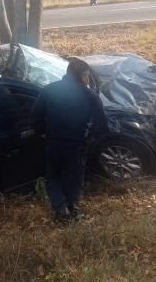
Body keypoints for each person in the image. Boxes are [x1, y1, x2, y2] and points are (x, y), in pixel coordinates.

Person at [31, 59, 109, 222]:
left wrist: (43, 132)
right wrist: (89, 138)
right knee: (74, 177)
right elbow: (101, 123)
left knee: (53, 176)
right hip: (77, 144)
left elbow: (35, 116)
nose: (88, 79)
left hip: (53, 143)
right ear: (82, 75)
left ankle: (61, 208)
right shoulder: (89, 95)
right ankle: (72, 209)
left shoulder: (49, 90)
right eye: (87, 75)